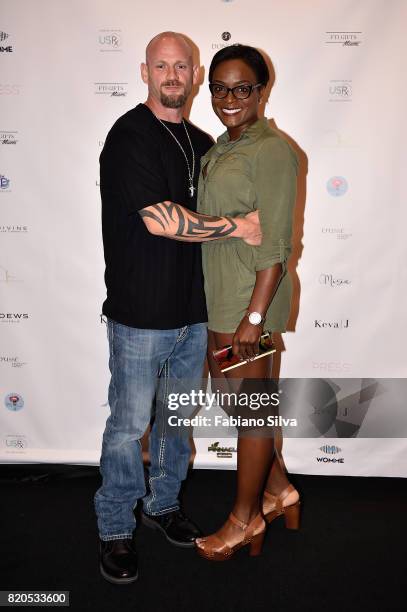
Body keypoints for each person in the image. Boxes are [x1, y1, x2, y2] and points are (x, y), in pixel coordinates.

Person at [94, 32, 261, 584]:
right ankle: (117, 526)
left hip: (194, 315)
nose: (172, 75)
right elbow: (162, 220)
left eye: (182, 66)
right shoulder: (129, 136)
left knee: (176, 420)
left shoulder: (201, 139)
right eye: (161, 65)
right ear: (145, 73)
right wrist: (238, 226)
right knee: (127, 427)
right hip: (140, 316)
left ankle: (162, 506)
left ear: (193, 76)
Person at [194, 44, 300, 561]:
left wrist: (254, 318)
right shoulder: (221, 146)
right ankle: (280, 490)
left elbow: (277, 244)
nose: (229, 98)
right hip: (222, 296)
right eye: (219, 87)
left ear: (261, 91)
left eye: (242, 88)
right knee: (236, 402)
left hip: (248, 300)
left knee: (252, 414)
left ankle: (246, 518)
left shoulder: (271, 150)